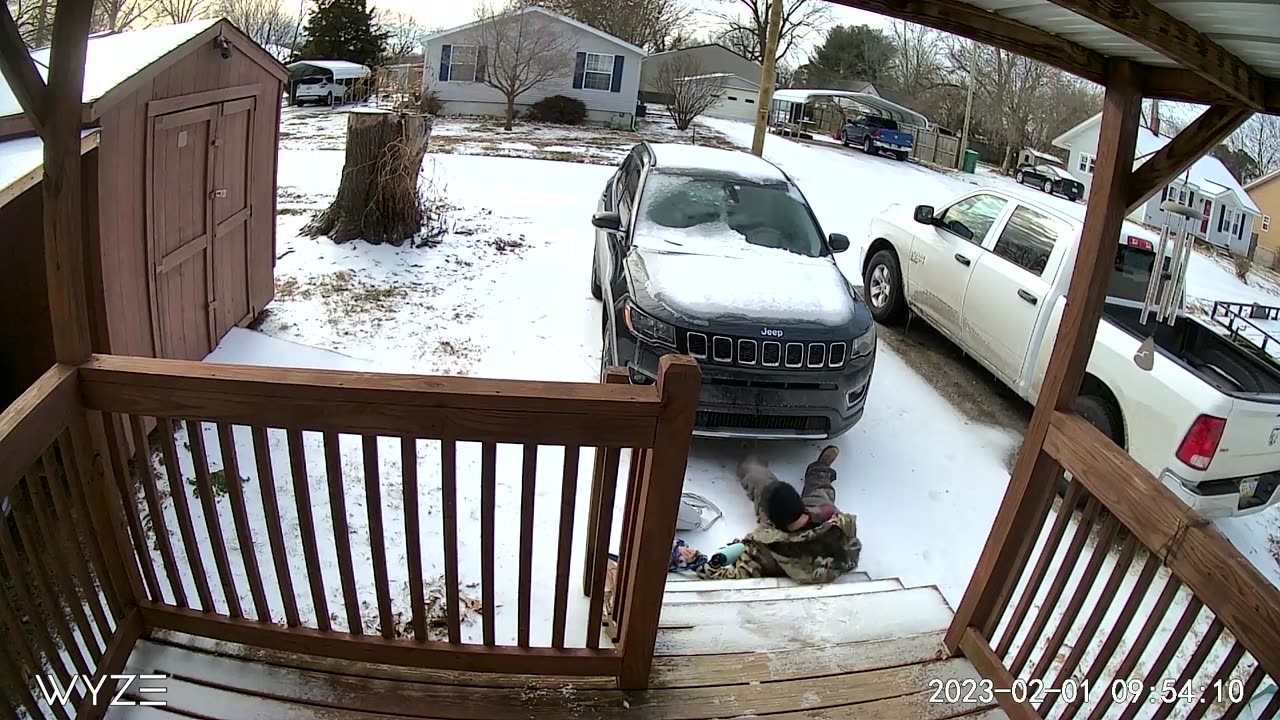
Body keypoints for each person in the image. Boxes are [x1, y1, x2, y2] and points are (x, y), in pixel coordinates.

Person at [737, 445, 840, 532]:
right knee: (820, 488)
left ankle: (750, 461)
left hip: (779, 532)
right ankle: (820, 468)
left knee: (757, 478)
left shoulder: (770, 539)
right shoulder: (827, 513)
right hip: (814, 513)